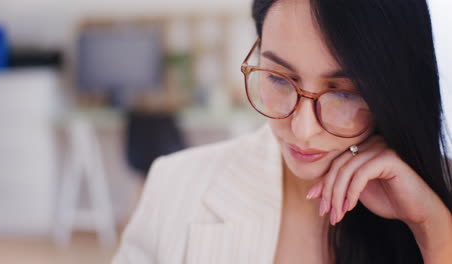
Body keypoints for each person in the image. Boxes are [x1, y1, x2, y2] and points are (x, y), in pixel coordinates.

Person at [112, 0, 452, 263]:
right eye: (278, 78)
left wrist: (431, 227)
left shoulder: (438, 196)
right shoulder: (174, 186)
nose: (302, 130)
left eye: (345, 94)